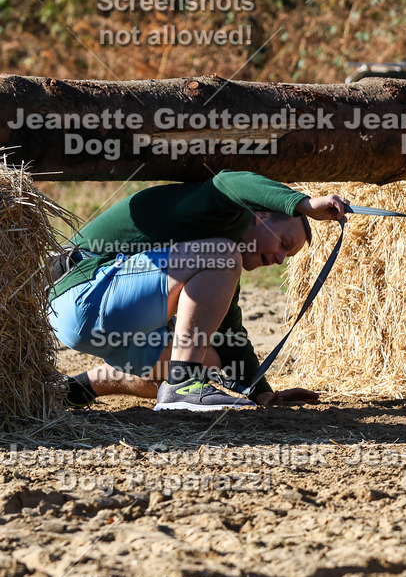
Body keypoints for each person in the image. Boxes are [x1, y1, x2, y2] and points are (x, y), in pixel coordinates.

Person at [47, 170, 348, 411]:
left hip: (103, 321)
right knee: (223, 255)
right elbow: (229, 181)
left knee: (210, 361)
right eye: (283, 244)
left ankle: (79, 387)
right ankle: (181, 385)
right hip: (81, 292)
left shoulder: (212, 268)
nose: (279, 259)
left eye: (287, 258)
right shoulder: (220, 217)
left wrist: (263, 394)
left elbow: (229, 337)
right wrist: (305, 203)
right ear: (261, 215)